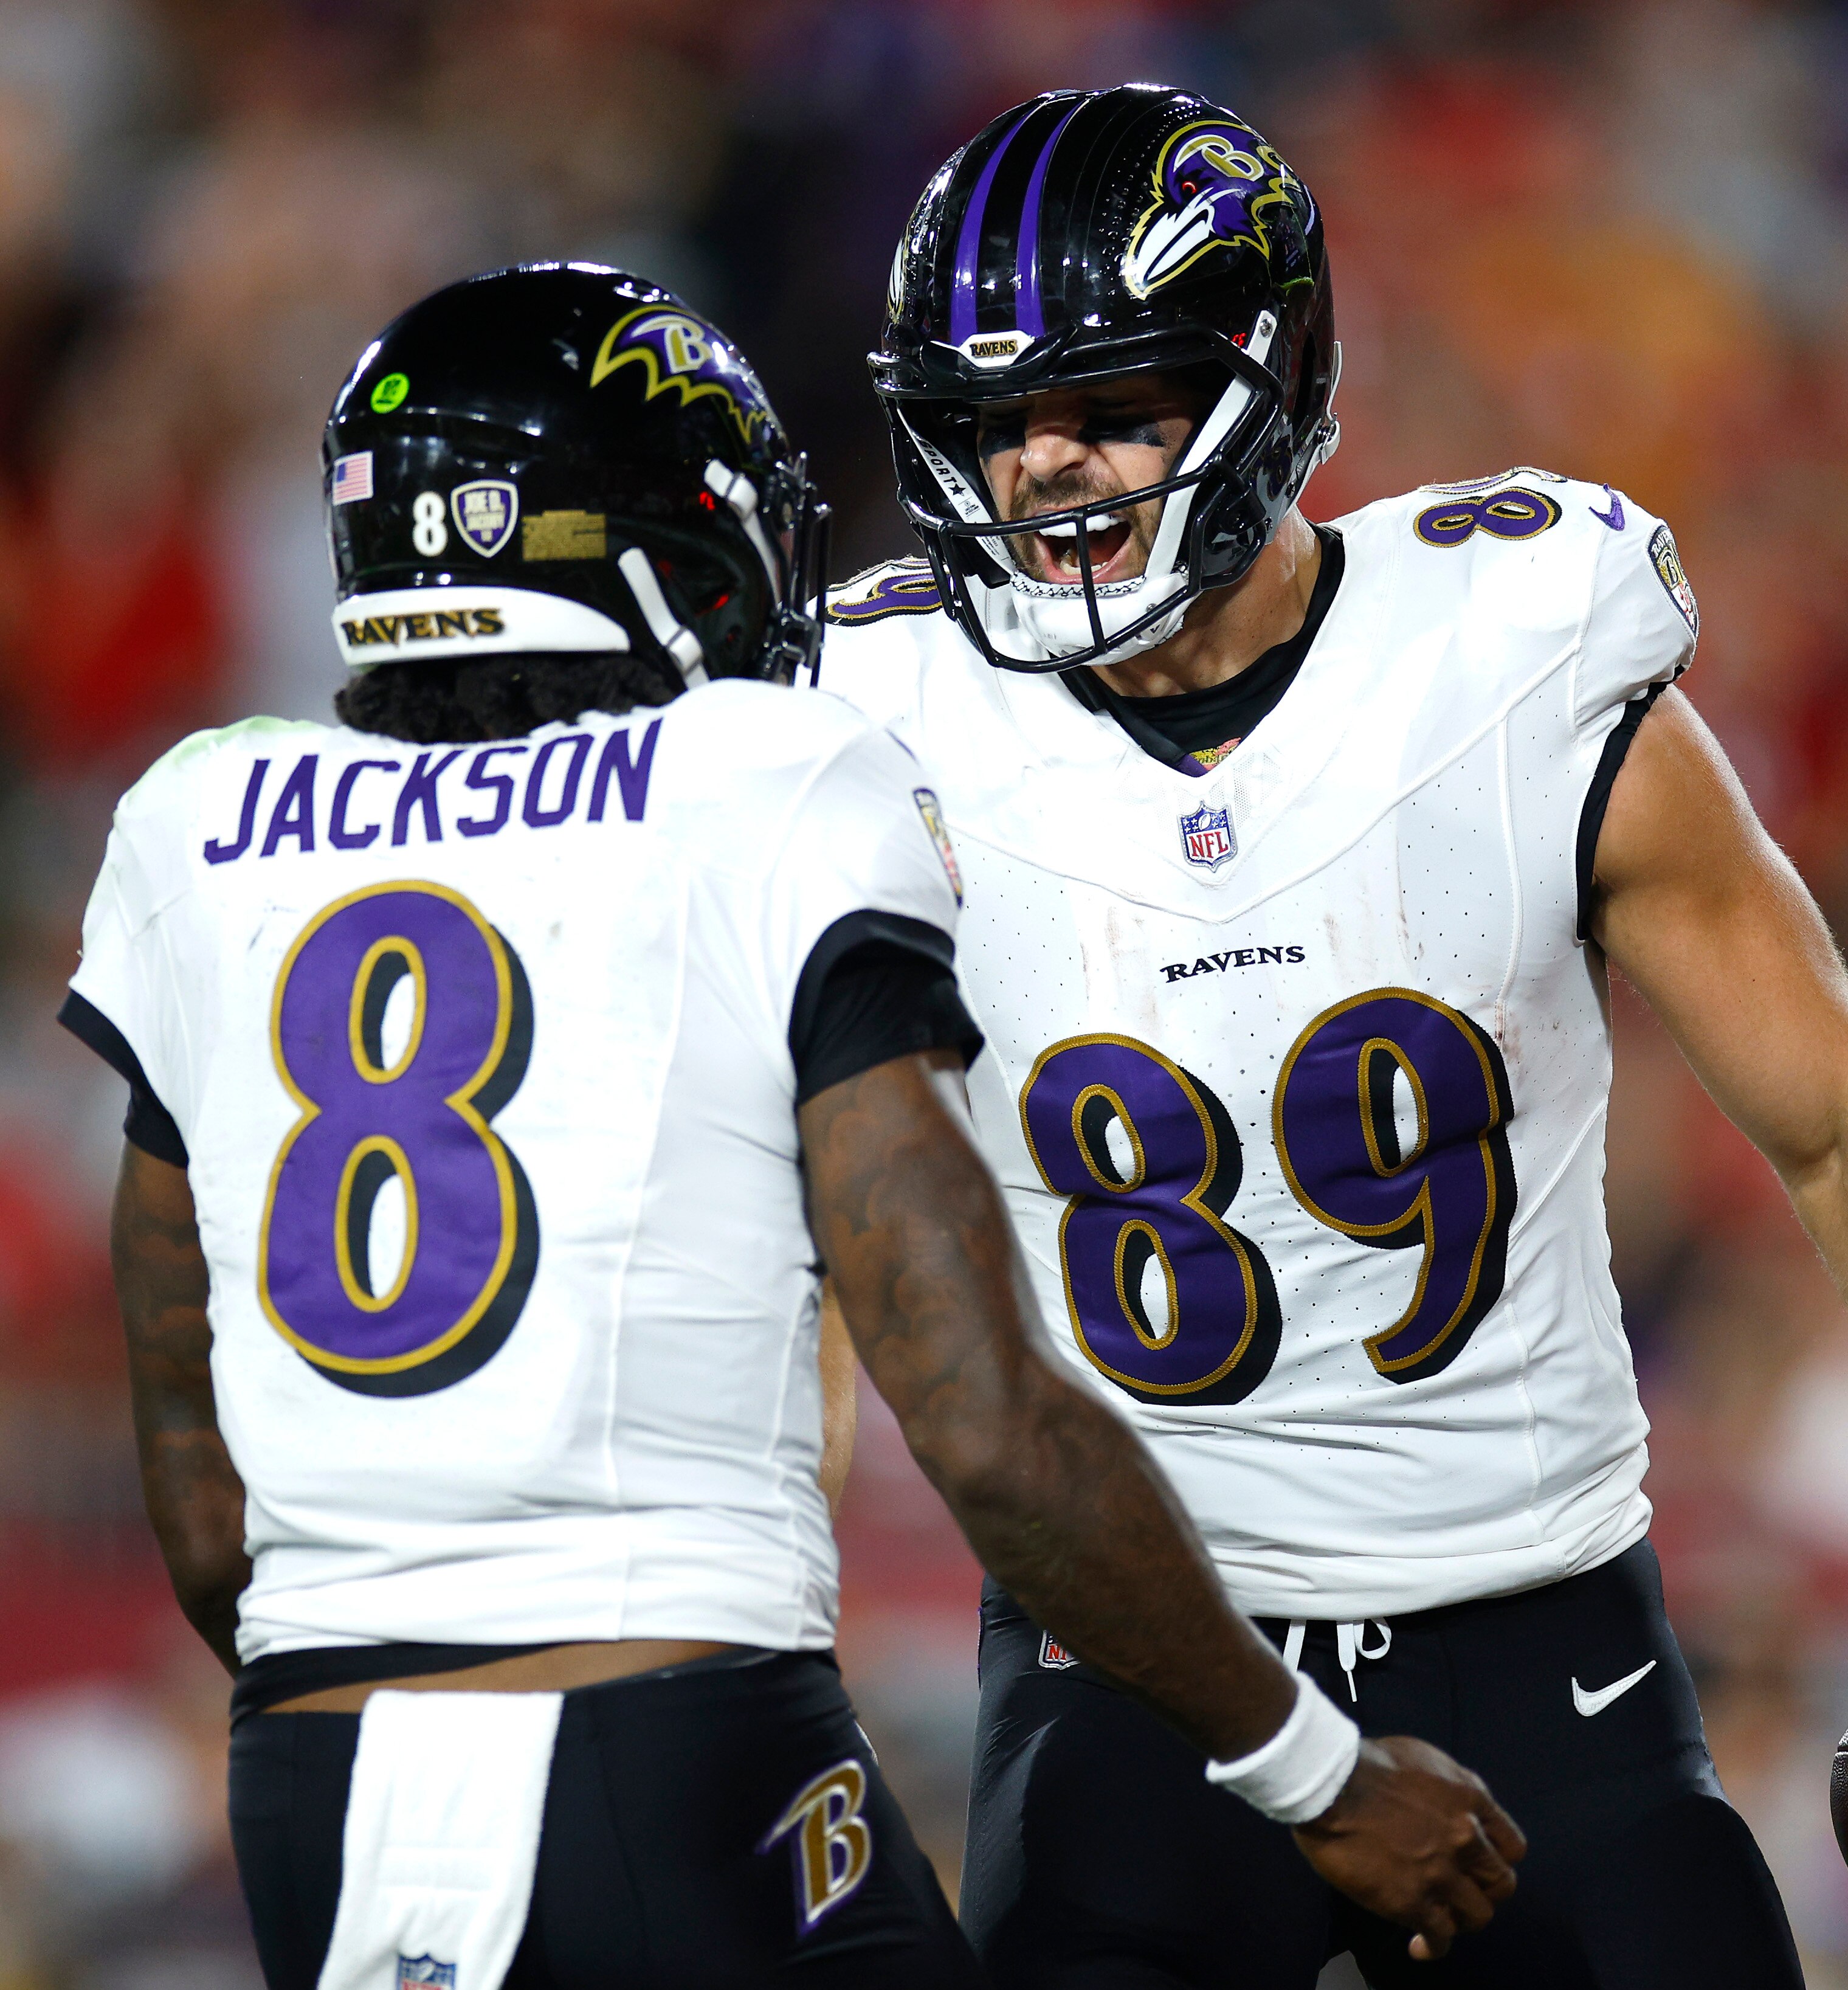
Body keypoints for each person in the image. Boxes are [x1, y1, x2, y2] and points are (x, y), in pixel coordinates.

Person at [815, 84, 1848, 1987]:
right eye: (993, 424)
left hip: (1536, 1628)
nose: (1047, 472)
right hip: (1136, 1656)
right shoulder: (874, 711)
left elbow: (1838, 1114)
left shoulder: (1509, 653)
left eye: (1110, 406)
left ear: (1262, 383)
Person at [58, 261, 1523, 1990]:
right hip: (677, 1743)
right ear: (678, 554)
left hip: (311, 1778)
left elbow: (207, 1505)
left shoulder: (193, 821)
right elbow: (982, 1417)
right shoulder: (763, 781)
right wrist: (1313, 1767)